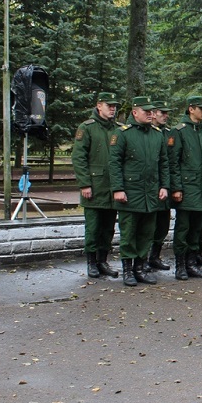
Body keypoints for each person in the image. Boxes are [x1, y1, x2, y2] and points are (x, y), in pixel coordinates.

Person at [109, 96, 170, 286]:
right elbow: (114, 163)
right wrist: (118, 189)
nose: (151, 114)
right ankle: (128, 269)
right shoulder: (123, 134)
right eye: (147, 111)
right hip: (131, 192)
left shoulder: (157, 134)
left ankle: (140, 267)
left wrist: (164, 186)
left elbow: (164, 163)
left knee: (146, 232)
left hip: (151, 192)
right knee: (129, 233)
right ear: (135, 112)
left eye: (152, 111)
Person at [72, 92, 121, 279]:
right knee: (93, 228)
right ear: (99, 106)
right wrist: (85, 184)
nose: (113, 109)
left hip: (112, 188)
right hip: (94, 187)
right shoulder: (87, 128)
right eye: (109, 105)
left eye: (115, 106)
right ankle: (91, 262)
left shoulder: (117, 129)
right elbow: (78, 157)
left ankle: (103, 260)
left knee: (108, 228)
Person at [168, 94, 202, 280]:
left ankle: (192, 262)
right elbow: (173, 163)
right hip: (186, 189)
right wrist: (177, 188)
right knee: (183, 228)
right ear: (191, 109)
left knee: (197, 228)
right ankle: (180, 265)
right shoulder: (179, 131)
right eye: (200, 108)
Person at [147, 103, 173, 272]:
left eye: (167, 113)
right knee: (148, 225)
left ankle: (155, 257)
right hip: (150, 185)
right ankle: (143, 258)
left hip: (166, 185)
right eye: (162, 113)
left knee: (163, 225)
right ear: (154, 114)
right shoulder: (147, 132)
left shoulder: (170, 134)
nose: (166, 116)